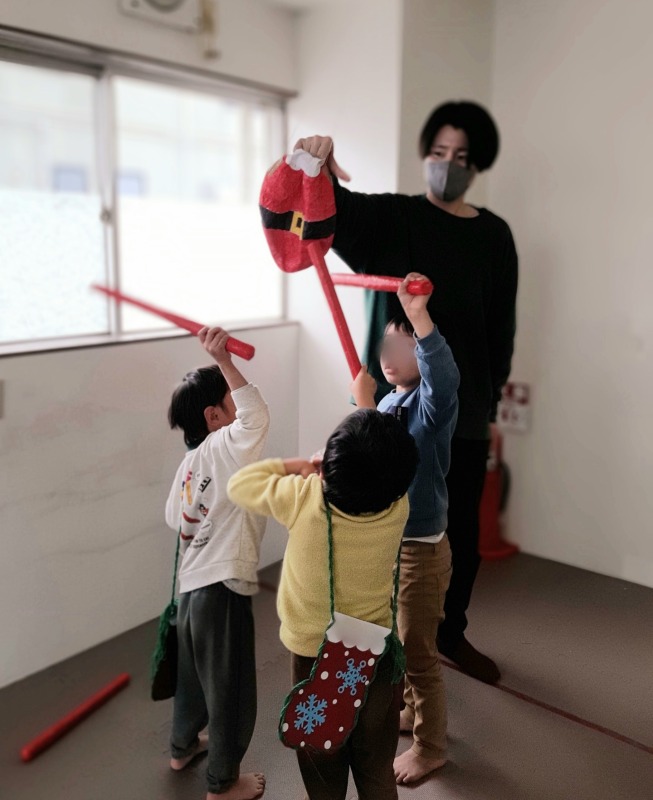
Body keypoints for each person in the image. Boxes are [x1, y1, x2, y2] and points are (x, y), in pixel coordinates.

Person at [294, 100, 518, 684]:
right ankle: (381, 640)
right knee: (379, 532)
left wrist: (490, 403)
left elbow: (501, 328)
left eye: (461, 156)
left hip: (462, 412)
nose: (448, 164)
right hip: (391, 413)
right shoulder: (395, 218)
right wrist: (316, 164)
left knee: (458, 535)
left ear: (477, 165)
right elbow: (327, 212)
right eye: (439, 152)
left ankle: (448, 633)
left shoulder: (494, 236)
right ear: (424, 155)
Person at [227, 409, 419, 800]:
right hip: (376, 654)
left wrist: (301, 466)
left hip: (314, 656)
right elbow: (380, 471)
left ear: (327, 470)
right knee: (376, 765)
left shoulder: (302, 497)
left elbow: (240, 484)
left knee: (321, 757)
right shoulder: (398, 507)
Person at [351, 273, 459, 784]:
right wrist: (366, 404)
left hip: (422, 550)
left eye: (404, 346)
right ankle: (413, 711)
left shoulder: (428, 408)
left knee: (418, 653)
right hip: (393, 546)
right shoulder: (389, 401)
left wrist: (418, 317)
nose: (390, 355)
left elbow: (444, 380)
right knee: (400, 635)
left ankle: (431, 748)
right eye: (385, 345)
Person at [165, 326, 269, 800]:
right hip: (223, 587)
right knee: (230, 689)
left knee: (193, 678)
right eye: (229, 399)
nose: (237, 404)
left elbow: (174, 518)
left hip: (191, 590)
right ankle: (223, 784)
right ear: (214, 416)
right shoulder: (226, 444)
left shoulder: (188, 465)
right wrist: (225, 360)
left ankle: (182, 746)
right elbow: (255, 414)